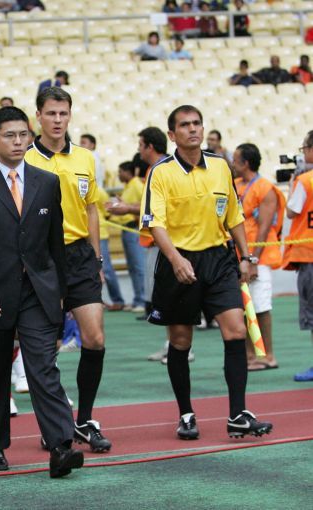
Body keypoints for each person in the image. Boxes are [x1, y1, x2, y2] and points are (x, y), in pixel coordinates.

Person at [0, 106, 83, 478]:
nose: (18, 141)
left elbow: (55, 243)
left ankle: (61, 446)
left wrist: (61, 292)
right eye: (10, 135)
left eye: (24, 134)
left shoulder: (47, 182)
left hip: (37, 293)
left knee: (43, 367)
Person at [140, 105, 273, 440]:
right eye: (185, 125)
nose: (193, 129)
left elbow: (234, 215)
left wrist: (247, 257)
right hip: (179, 262)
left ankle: (237, 415)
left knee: (236, 331)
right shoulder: (161, 172)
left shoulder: (220, 166)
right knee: (180, 341)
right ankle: (186, 414)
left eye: (197, 123)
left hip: (219, 260)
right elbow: (154, 223)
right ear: (172, 135)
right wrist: (175, 259)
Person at [25, 87, 112, 453]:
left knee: (95, 339)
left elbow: (92, 209)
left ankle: (84, 420)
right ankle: (54, 423)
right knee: (48, 348)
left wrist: (96, 259)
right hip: (41, 259)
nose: (57, 120)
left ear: (70, 116)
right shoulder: (25, 158)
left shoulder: (86, 158)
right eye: (51, 113)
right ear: (38, 116)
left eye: (63, 113)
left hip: (79, 257)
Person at [233, 143, 285, 371]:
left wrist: (252, 260)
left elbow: (264, 227)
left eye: (236, 160)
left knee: (261, 307)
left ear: (246, 163)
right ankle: (250, 356)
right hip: (238, 256)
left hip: (258, 258)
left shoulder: (265, 188)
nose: (232, 164)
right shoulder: (235, 185)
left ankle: (268, 355)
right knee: (244, 307)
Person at [283, 131, 313, 382]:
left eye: (304, 148)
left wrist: (294, 181)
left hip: (309, 253)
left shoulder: (305, 181)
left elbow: (291, 211)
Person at [106, 161, 147, 312]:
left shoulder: (136, 185)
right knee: (133, 267)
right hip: (126, 230)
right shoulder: (128, 186)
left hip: (134, 229)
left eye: (120, 171)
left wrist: (137, 218)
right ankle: (137, 300)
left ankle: (143, 301)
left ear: (127, 172)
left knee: (138, 267)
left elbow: (146, 204)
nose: (118, 174)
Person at [96, 185, 126, 311]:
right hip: (82, 234)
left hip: (99, 234)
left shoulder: (99, 191)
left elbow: (107, 211)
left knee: (106, 269)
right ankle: (97, 301)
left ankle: (118, 300)